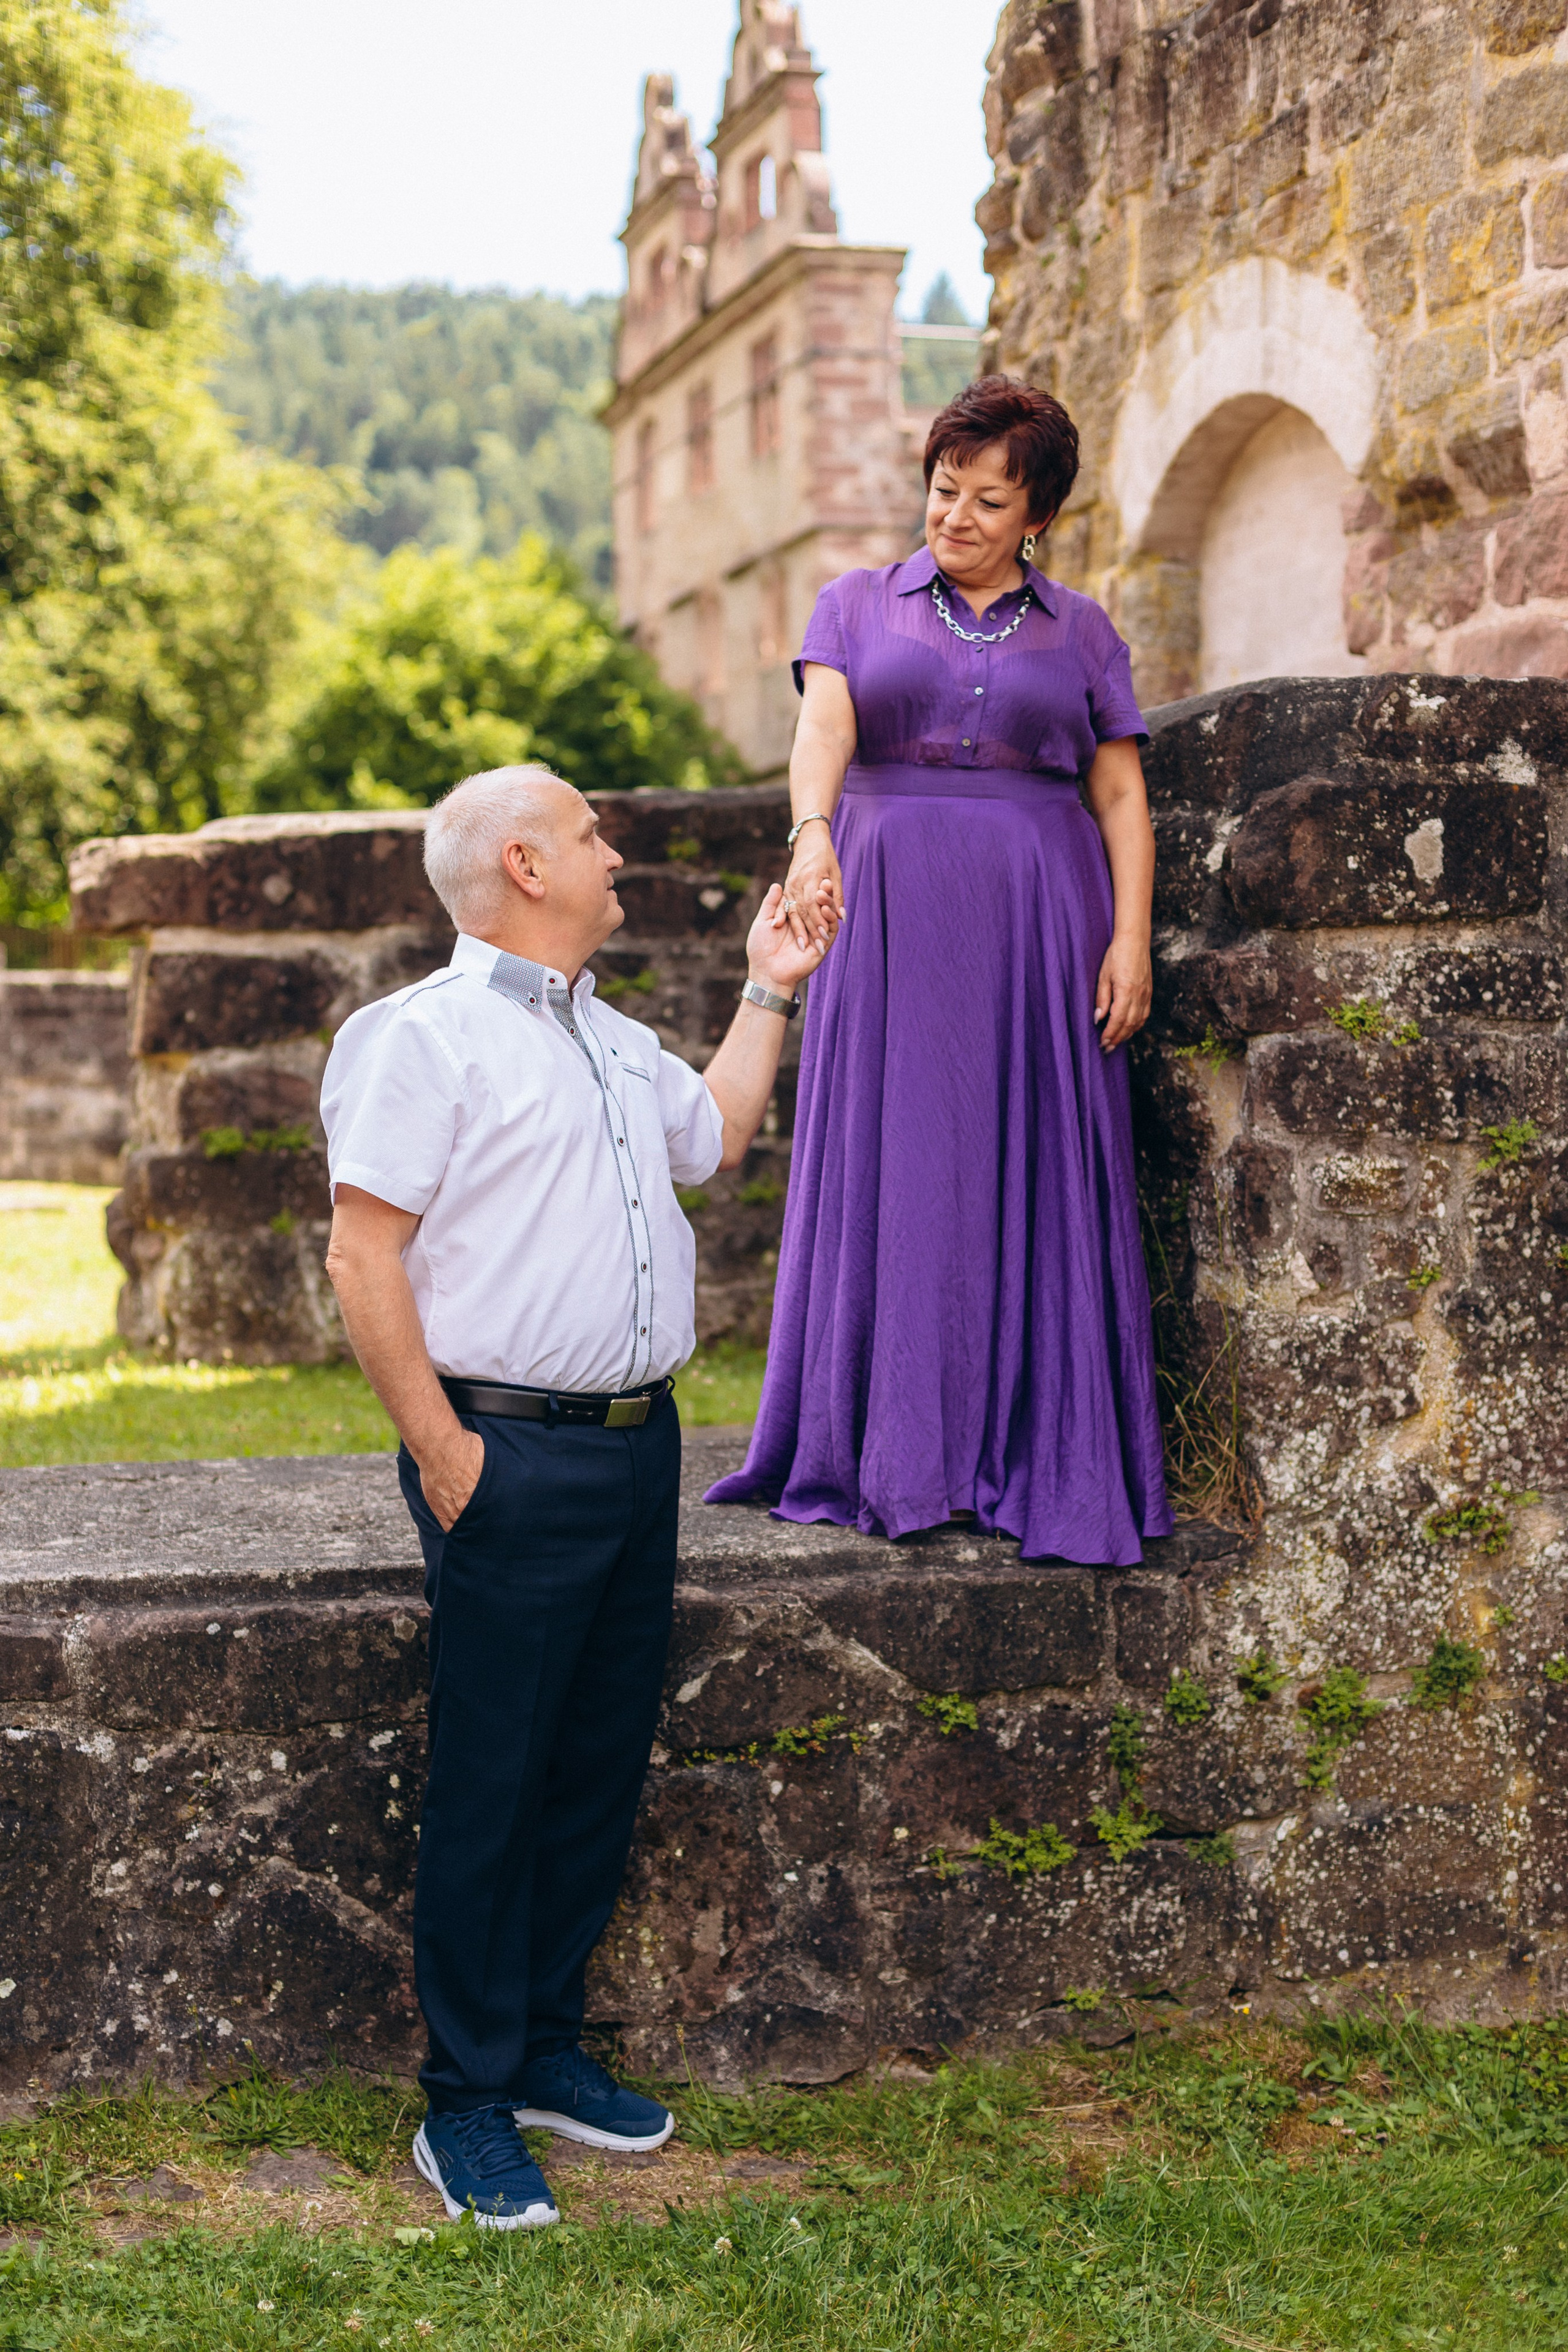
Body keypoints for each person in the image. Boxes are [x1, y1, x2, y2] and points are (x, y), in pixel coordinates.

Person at [321, 764, 835, 2230]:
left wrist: (769, 988)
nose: (619, 854)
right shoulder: (416, 1040)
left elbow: (711, 1137)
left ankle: (544, 2053)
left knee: (595, 1763)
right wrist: (446, 1455)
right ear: (527, 866)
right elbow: (365, 1259)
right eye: (595, 834)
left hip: (633, 1446)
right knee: (494, 1780)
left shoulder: (606, 1035)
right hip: (505, 1454)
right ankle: (467, 2105)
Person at [707, 376, 1174, 1566]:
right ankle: (892, 1450)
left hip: (1038, 918)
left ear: (1036, 515)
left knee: (1027, 1162)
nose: (953, 517)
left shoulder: (1080, 630)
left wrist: (1128, 937)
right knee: (901, 1159)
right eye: (940, 490)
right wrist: (812, 833)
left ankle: (1028, 1450)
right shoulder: (855, 605)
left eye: (984, 499)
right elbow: (823, 730)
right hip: (887, 911)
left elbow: (1117, 791)